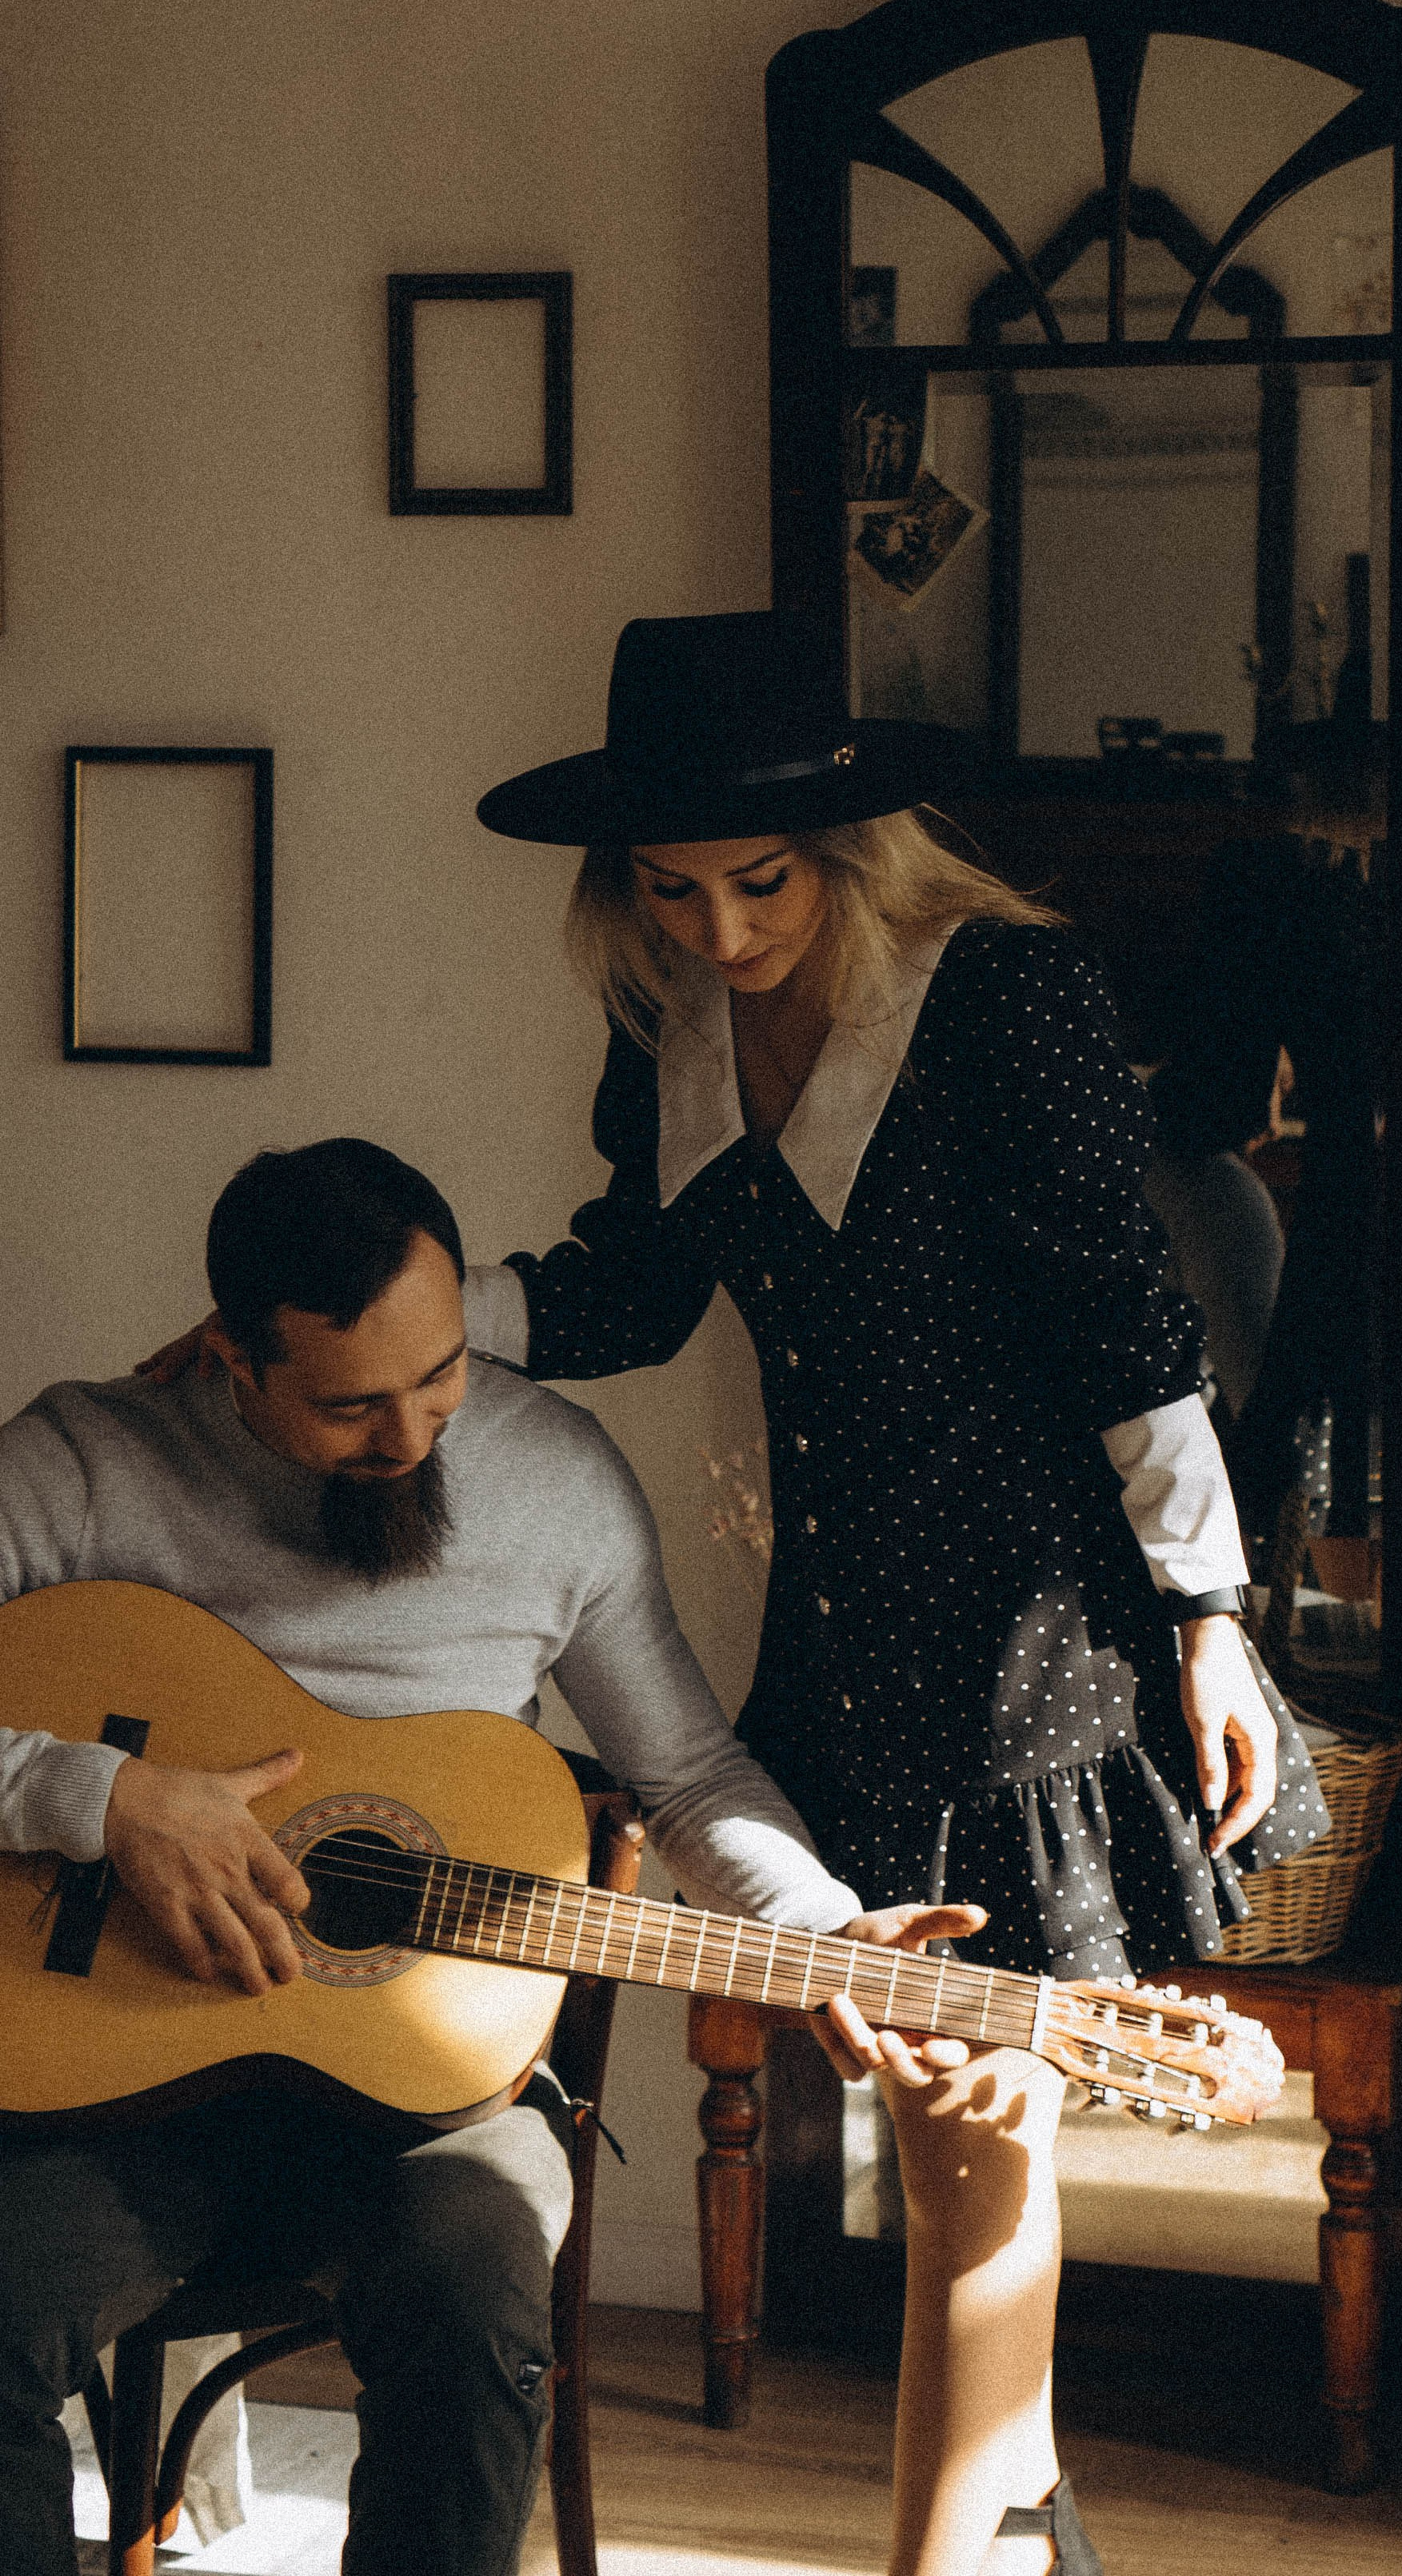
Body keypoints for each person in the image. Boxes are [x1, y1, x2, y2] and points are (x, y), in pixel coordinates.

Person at [462, 613, 1332, 2576]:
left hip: (1043, 1647)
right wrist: (415, 1330)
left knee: (970, 2149)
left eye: (755, 885)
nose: (715, 930)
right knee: (967, 2156)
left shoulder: (1001, 996)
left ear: (848, 851)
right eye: (669, 891)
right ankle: (1022, 2535)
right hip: (845, 1641)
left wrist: (1206, 1615)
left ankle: (956, 2556)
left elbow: (1134, 1325)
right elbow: (628, 1285)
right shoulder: (667, 1024)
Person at [2, 1138, 973, 2576]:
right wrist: (109, 1798)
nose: (414, 1435)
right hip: (113, 2089)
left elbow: (691, 1773)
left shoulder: (557, 1480)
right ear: (228, 1359)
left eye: (443, 1372)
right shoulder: (84, 1459)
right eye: (351, 1405)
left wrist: (818, 1924)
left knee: (475, 2297)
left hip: (426, 2102)